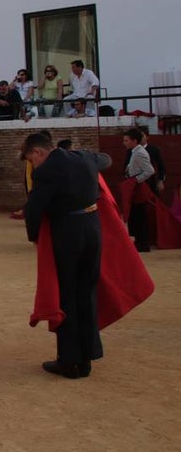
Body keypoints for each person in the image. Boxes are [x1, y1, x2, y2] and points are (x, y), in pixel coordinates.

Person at [21, 132, 112, 379]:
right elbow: (106, 159)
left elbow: (34, 209)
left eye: (31, 159)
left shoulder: (45, 171)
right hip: (93, 229)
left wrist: (35, 237)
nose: (33, 165)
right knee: (87, 292)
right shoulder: (83, 157)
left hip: (68, 234)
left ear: (38, 152)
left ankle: (69, 361)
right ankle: (87, 357)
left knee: (67, 295)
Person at [122, 127, 155, 253]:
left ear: (134, 141)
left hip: (138, 187)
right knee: (136, 215)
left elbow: (150, 171)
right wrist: (129, 168)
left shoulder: (139, 152)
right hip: (135, 185)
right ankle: (140, 241)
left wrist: (136, 180)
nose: (124, 143)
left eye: (126, 140)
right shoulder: (136, 151)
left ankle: (143, 243)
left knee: (139, 215)